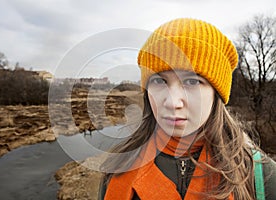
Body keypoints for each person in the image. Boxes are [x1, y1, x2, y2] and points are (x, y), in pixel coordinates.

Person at [98, 18, 276, 200]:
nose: (173, 102)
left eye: (192, 82)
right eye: (159, 81)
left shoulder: (259, 176)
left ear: (217, 94)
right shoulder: (118, 168)